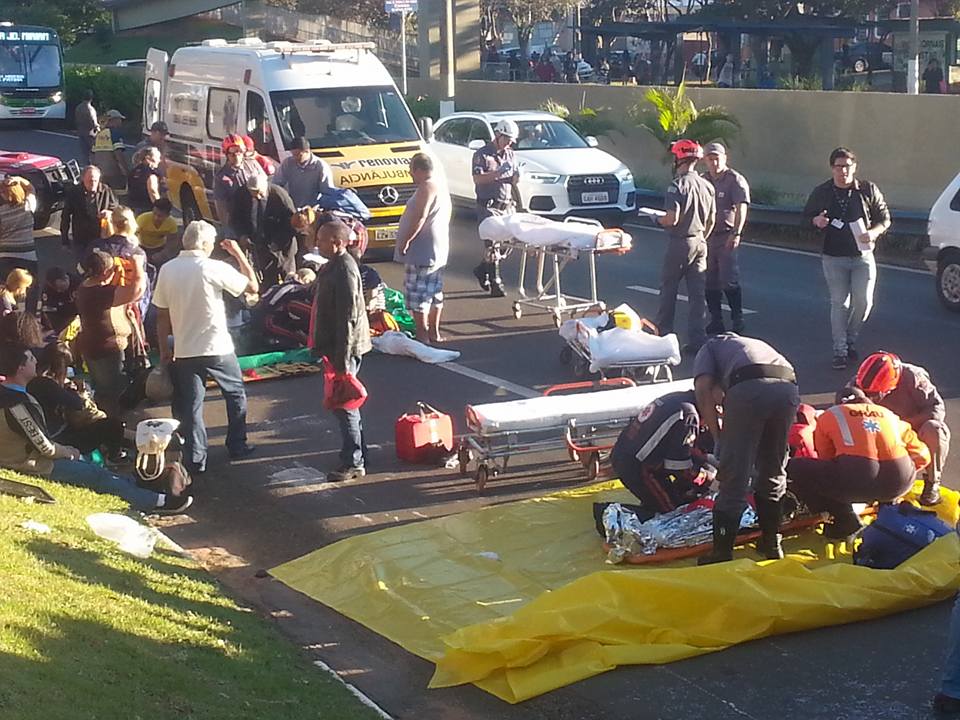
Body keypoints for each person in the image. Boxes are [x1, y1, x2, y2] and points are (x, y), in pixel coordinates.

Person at [0, 343, 191, 513]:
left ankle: (146, 489)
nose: (35, 362)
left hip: (23, 455)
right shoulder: (17, 404)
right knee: (96, 475)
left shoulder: (13, 394)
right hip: (27, 463)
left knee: (97, 469)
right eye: (31, 359)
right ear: (20, 367)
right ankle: (158, 502)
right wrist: (67, 451)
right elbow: (43, 445)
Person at [153, 221, 258, 475]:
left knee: (191, 406)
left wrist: (164, 348)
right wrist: (238, 254)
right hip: (217, 344)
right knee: (234, 394)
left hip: (185, 348)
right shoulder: (213, 267)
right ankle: (237, 444)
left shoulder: (167, 270)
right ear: (206, 244)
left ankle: (196, 458)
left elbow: (162, 315)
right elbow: (252, 287)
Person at [693, 333, 799, 563]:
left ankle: (721, 552)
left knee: (734, 476)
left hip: (750, 387)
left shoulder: (709, 348)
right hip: (787, 387)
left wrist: (717, 436)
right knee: (773, 469)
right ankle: (772, 543)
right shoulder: (746, 345)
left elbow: (703, 391)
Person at [786, 387, 930, 538]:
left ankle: (845, 518)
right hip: (899, 483)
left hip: (855, 478)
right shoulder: (891, 416)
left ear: (838, 403)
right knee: (891, 471)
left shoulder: (831, 415)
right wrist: (904, 469)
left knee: (796, 468)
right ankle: (888, 508)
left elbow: (825, 457)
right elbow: (923, 455)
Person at [803, 147, 891, 370]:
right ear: (832, 168)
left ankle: (850, 338)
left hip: (862, 255)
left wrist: (873, 232)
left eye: (847, 166)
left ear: (855, 167)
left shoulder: (867, 189)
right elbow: (805, 217)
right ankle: (840, 350)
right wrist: (816, 221)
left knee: (864, 302)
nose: (843, 171)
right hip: (833, 256)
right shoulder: (822, 191)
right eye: (839, 166)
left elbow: (885, 219)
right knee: (840, 303)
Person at [309, 219, 371, 482]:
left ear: (337, 243)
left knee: (344, 404)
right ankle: (359, 452)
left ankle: (353, 461)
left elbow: (348, 317)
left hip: (343, 348)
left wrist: (342, 361)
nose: (317, 244)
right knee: (346, 406)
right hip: (335, 346)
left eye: (321, 240)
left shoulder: (345, 270)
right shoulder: (332, 266)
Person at [847, 351, 949, 506]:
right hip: (877, 429)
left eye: (876, 394)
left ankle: (932, 482)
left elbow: (936, 409)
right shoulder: (857, 383)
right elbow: (844, 411)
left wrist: (901, 425)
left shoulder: (914, 378)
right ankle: (870, 481)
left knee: (935, 429)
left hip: (910, 429)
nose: (872, 397)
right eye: (868, 394)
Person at [609, 389, 714, 515]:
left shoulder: (680, 399)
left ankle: (658, 501)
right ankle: (611, 515)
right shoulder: (689, 416)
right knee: (673, 517)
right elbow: (680, 469)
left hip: (631, 455)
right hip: (638, 466)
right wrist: (709, 478)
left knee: (671, 499)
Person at [655, 139, 716, 355]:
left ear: (678, 158)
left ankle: (663, 336)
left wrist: (656, 219)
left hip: (680, 243)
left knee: (668, 290)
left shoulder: (677, 186)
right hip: (700, 241)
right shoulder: (707, 185)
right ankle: (698, 340)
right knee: (697, 295)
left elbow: (671, 218)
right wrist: (700, 238)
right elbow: (711, 220)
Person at [27, 342, 128, 463]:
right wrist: (73, 390)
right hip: (58, 437)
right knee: (113, 425)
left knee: (98, 422)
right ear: (60, 365)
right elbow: (76, 403)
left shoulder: (39, 382)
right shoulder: (45, 383)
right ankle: (114, 457)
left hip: (58, 431)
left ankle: (108, 452)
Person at [74, 249, 143, 418]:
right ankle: (115, 425)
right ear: (105, 272)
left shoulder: (86, 287)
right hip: (107, 350)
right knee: (114, 392)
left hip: (93, 347)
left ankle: (108, 421)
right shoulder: (99, 293)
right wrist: (138, 266)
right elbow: (136, 291)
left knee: (104, 389)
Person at [394, 153, 451, 344]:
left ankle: (423, 334)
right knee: (434, 290)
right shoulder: (440, 184)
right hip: (437, 246)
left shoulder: (426, 186)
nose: (411, 175)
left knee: (419, 292)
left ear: (418, 170)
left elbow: (420, 216)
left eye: (411, 171)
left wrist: (406, 241)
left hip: (423, 248)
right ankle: (433, 333)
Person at [471, 118, 523, 298]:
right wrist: (498, 173)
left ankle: (481, 269)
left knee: (506, 244)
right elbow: (478, 179)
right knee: (492, 244)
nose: (509, 143)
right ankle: (495, 281)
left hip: (506, 204)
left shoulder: (510, 154)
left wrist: (516, 176)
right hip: (488, 206)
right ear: (498, 135)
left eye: (511, 140)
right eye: (507, 138)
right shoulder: (482, 154)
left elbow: (512, 181)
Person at [703, 142, 750, 335]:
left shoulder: (734, 180)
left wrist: (736, 232)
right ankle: (716, 319)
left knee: (728, 278)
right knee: (709, 279)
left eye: (717, 158)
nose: (714, 162)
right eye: (710, 158)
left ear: (724, 158)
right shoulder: (703, 180)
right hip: (707, 236)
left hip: (726, 235)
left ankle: (737, 318)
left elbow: (741, 207)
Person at [243, 174, 298, 288]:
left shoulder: (280, 196)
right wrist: (243, 234)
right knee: (268, 283)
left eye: (260, 193)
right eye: (254, 193)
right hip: (262, 246)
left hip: (283, 247)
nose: (258, 196)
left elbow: (292, 225)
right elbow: (237, 217)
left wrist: (277, 243)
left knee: (289, 281)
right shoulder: (243, 195)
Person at [214, 134, 266, 240]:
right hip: (237, 223)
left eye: (238, 152)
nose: (236, 156)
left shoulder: (253, 165)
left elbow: (266, 184)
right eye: (232, 154)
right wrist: (231, 232)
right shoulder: (221, 177)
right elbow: (221, 208)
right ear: (227, 155)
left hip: (258, 218)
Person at [0, 175, 38, 312]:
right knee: (31, 289)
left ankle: (9, 314)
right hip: (27, 255)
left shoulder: (1, 213)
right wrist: (18, 179)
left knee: (5, 289)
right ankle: (30, 317)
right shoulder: (28, 206)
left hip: (5, 255)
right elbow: (31, 188)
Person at [61, 165, 118, 253]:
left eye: (95, 181)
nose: (93, 184)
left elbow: (116, 207)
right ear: (83, 179)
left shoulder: (106, 190)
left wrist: (109, 212)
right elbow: (65, 217)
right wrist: (65, 241)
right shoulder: (74, 192)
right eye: (90, 181)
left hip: (101, 235)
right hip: (82, 236)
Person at [273, 136, 336, 208]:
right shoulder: (288, 163)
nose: (295, 157)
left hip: (313, 210)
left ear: (307, 151)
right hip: (292, 207)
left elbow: (328, 192)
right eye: (293, 154)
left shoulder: (321, 166)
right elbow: (276, 183)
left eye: (298, 155)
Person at [92, 109, 129, 191]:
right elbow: (118, 154)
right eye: (119, 120)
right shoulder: (115, 134)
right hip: (113, 173)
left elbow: (93, 155)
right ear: (113, 120)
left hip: (100, 173)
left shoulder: (99, 135)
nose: (120, 122)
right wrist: (127, 172)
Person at [135, 198, 179, 265]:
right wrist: (138, 250)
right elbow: (132, 235)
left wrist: (164, 253)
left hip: (159, 248)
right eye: (154, 213)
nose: (156, 218)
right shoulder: (142, 219)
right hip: (142, 246)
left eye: (160, 216)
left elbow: (173, 241)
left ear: (167, 215)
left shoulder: (171, 223)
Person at [39, 267, 78, 334]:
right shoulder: (48, 290)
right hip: (59, 315)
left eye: (61, 288)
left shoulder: (78, 283)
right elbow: (48, 311)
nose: (59, 291)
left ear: (66, 279)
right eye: (56, 288)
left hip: (76, 314)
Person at [126, 146, 164, 215]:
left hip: (133, 207)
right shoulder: (151, 173)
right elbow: (153, 191)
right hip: (146, 209)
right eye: (157, 157)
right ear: (148, 158)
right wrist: (160, 208)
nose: (159, 160)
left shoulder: (134, 171)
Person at [75, 90, 98, 164]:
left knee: (85, 154)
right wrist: (98, 128)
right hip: (90, 133)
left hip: (81, 132)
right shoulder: (90, 109)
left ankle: (87, 168)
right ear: (91, 98)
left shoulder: (78, 107)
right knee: (94, 152)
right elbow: (93, 122)